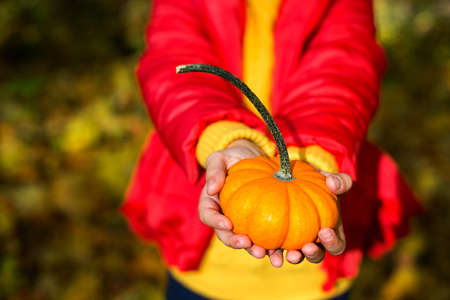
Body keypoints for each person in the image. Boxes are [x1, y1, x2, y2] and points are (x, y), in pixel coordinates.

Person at [122, 0, 422, 299]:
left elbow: (342, 70)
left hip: (310, 264)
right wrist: (224, 138)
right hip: (199, 250)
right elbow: (172, 62)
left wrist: (313, 156)